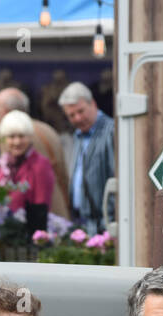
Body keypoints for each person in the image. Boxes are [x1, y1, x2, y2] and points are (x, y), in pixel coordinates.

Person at [0, 87, 70, 219]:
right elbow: (63, 176)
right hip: (57, 209)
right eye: (12, 137)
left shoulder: (14, 139)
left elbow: (32, 198)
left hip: (40, 219)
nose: (16, 142)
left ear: (6, 112)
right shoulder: (47, 130)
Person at [59, 81, 115, 234]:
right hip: (83, 224)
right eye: (71, 115)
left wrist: (111, 220)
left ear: (93, 104)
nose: (77, 118)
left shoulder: (112, 132)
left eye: (81, 111)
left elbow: (117, 179)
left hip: (106, 225)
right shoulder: (78, 135)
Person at [0, 111, 55, 235]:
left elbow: (41, 208)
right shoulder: (4, 164)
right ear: (5, 139)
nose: (17, 142)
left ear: (30, 137)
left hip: (29, 234)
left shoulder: (40, 165)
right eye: (11, 137)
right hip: (6, 231)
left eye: (21, 136)